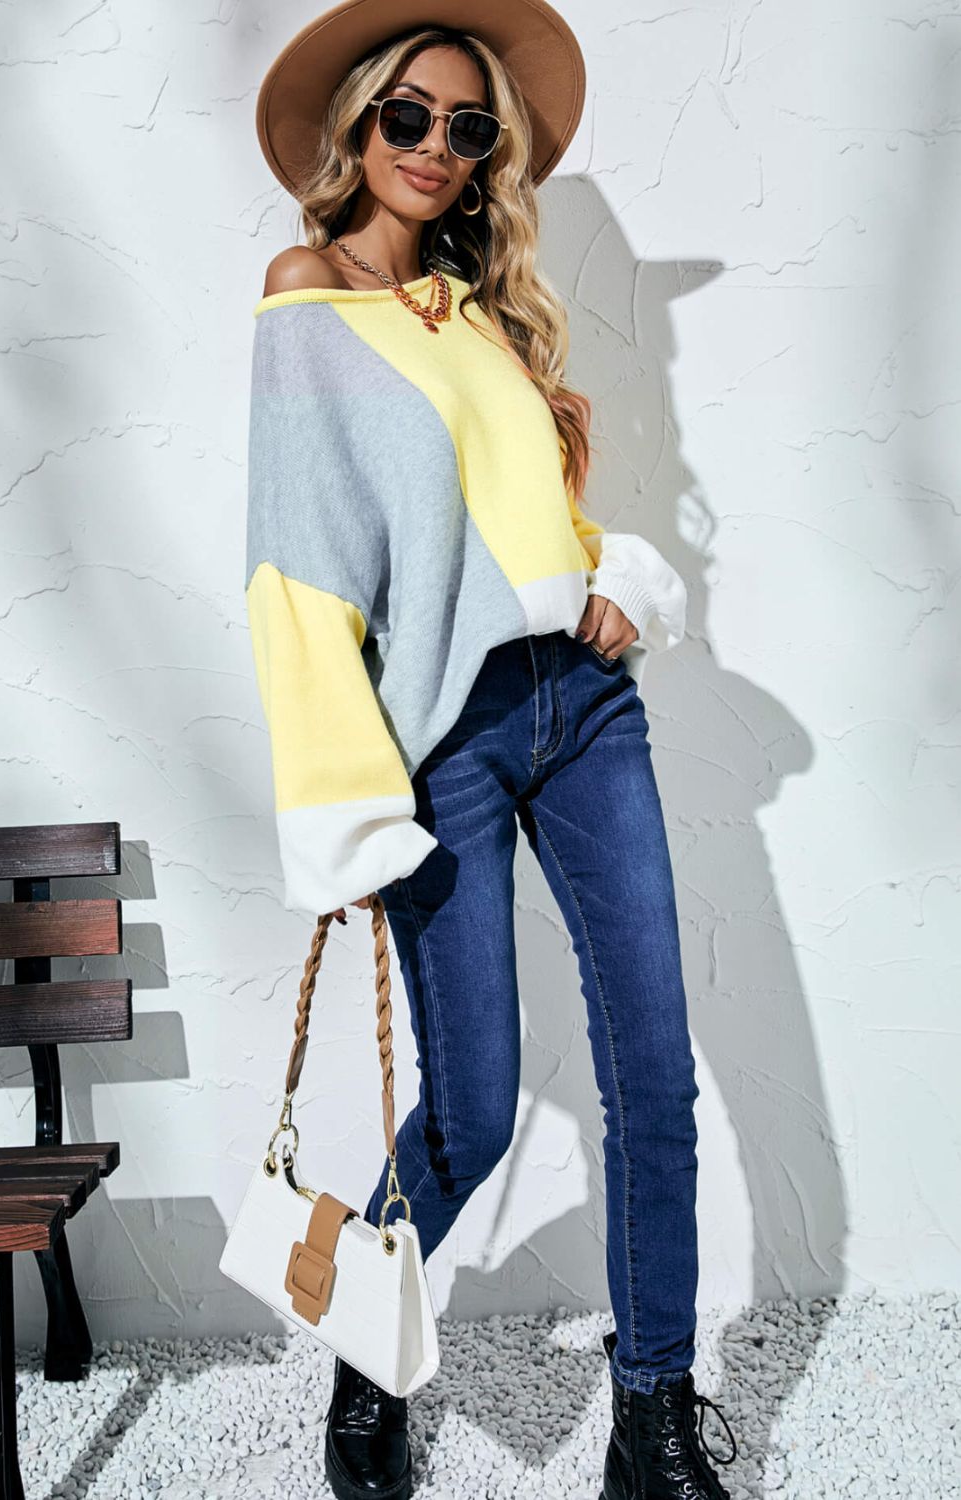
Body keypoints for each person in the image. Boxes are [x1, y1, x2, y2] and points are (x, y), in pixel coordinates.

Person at [245, 3, 739, 1497]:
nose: (437, 147)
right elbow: (300, 574)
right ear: (357, 125)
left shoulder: (483, 317)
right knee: (471, 1099)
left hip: (583, 711)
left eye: (468, 129)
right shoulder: (304, 296)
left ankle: (653, 1420)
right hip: (444, 740)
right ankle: (368, 1355)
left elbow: (536, 527)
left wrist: (612, 578)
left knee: (651, 1074)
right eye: (409, 115)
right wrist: (345, 798)